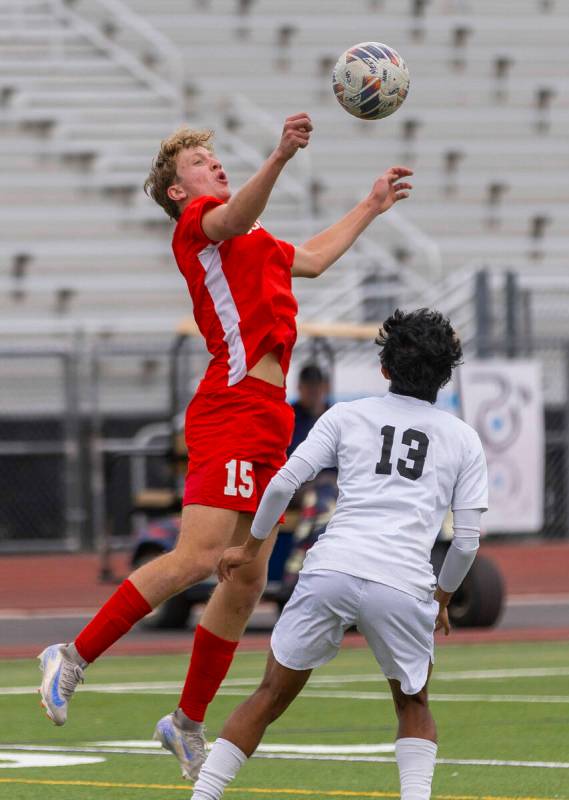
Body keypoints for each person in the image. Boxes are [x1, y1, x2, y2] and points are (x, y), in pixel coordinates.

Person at [37, 112, 413, 781]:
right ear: (179, 191)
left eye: (214, 159)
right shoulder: (200, 227)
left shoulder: (255, 235)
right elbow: (231, 219)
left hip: (270, 416)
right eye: (199, 163)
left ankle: (184, 720)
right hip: (231, 405)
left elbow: (317, 259)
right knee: (200, 556)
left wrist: (372, 204)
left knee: (246, 577)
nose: (213, 165)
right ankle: (71, 654)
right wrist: (278, 158)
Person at [190, 308, 488, 800]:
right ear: (446, 372)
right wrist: (442, 596)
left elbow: (284, 482)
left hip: (331, 569)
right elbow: (467, 541)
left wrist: (249, 547)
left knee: (268, 696)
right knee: (413, 704)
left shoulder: (346, 415)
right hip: (403, 581)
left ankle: (202, 797)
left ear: (385, 369)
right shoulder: (463, 439)